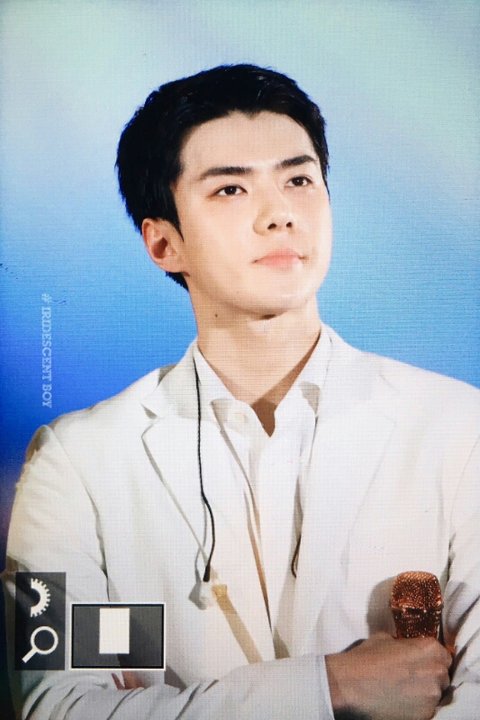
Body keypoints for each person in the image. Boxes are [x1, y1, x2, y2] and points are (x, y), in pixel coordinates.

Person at [3, 64, 479, 719]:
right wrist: (328, 688)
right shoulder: (80, 465)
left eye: (299, 180)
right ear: (163, 243)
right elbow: (59, 706)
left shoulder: (458, 429)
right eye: (230, 189)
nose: (280, 213)